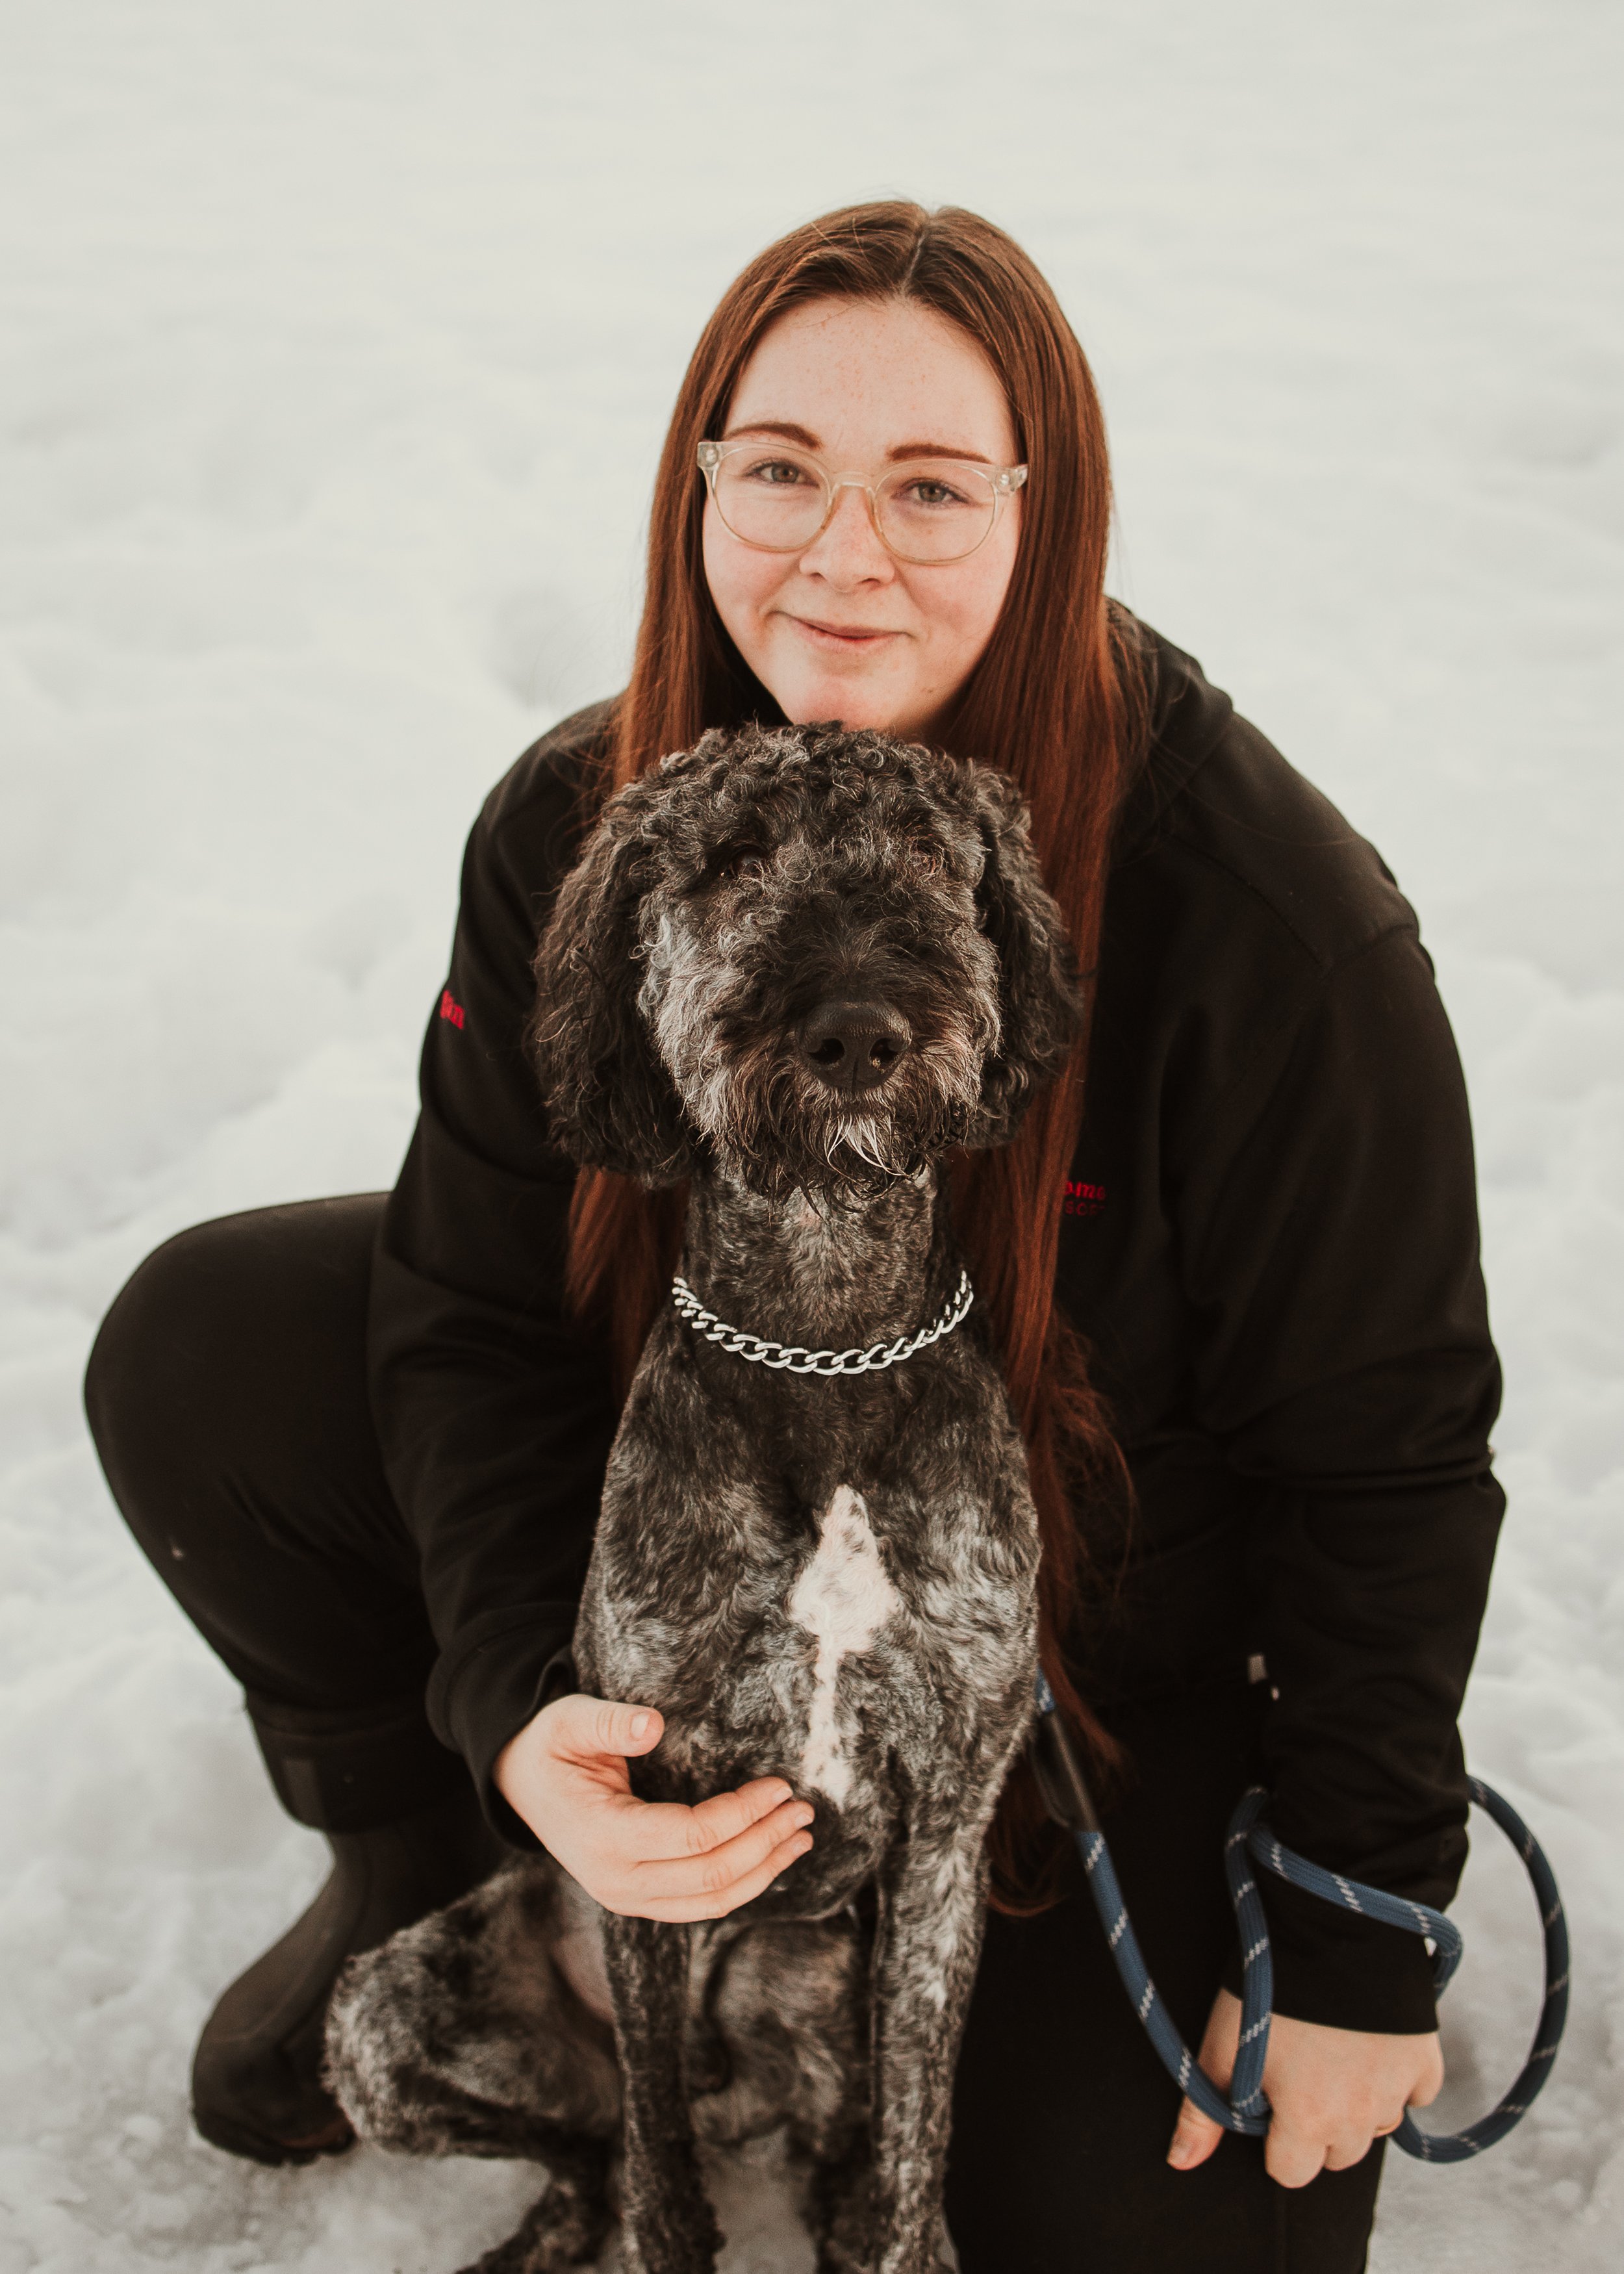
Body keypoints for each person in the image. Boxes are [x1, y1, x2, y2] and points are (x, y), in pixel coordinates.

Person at [84, 201, 1501, 2272]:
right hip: (690, 1515)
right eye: (779, 472)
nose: (841, 555)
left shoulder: (1261, 924)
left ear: (1051, 509)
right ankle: (431, 1868)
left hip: (1085, 1668)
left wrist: (1358, 1920)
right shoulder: (584, 816)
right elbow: (472, 1309)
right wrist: (513, 1720)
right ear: (701, 483)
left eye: (929, 486)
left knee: (1140, 2236)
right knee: (217, 1340)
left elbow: (1386, 1454)